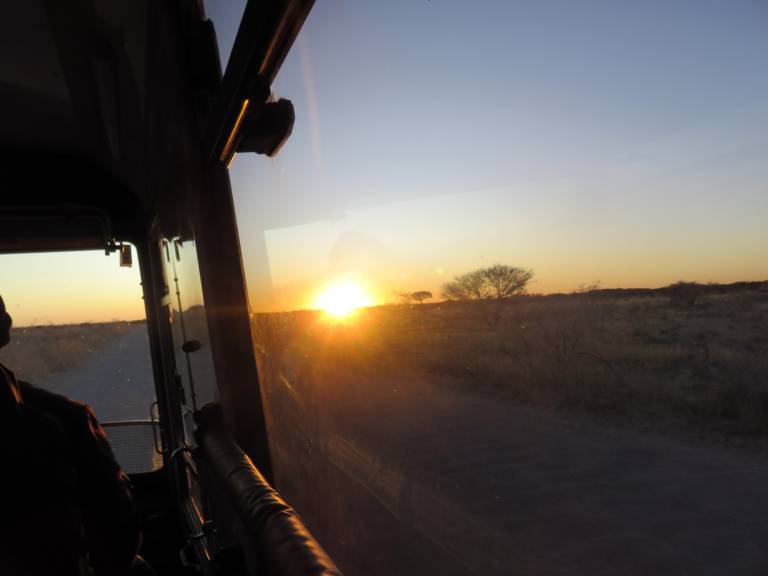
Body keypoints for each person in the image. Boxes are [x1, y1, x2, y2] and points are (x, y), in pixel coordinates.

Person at [0, 295, 141, 576]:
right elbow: (119, 535)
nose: (10, 319)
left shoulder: (18, 391)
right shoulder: (53, 424)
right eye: (0, 311)